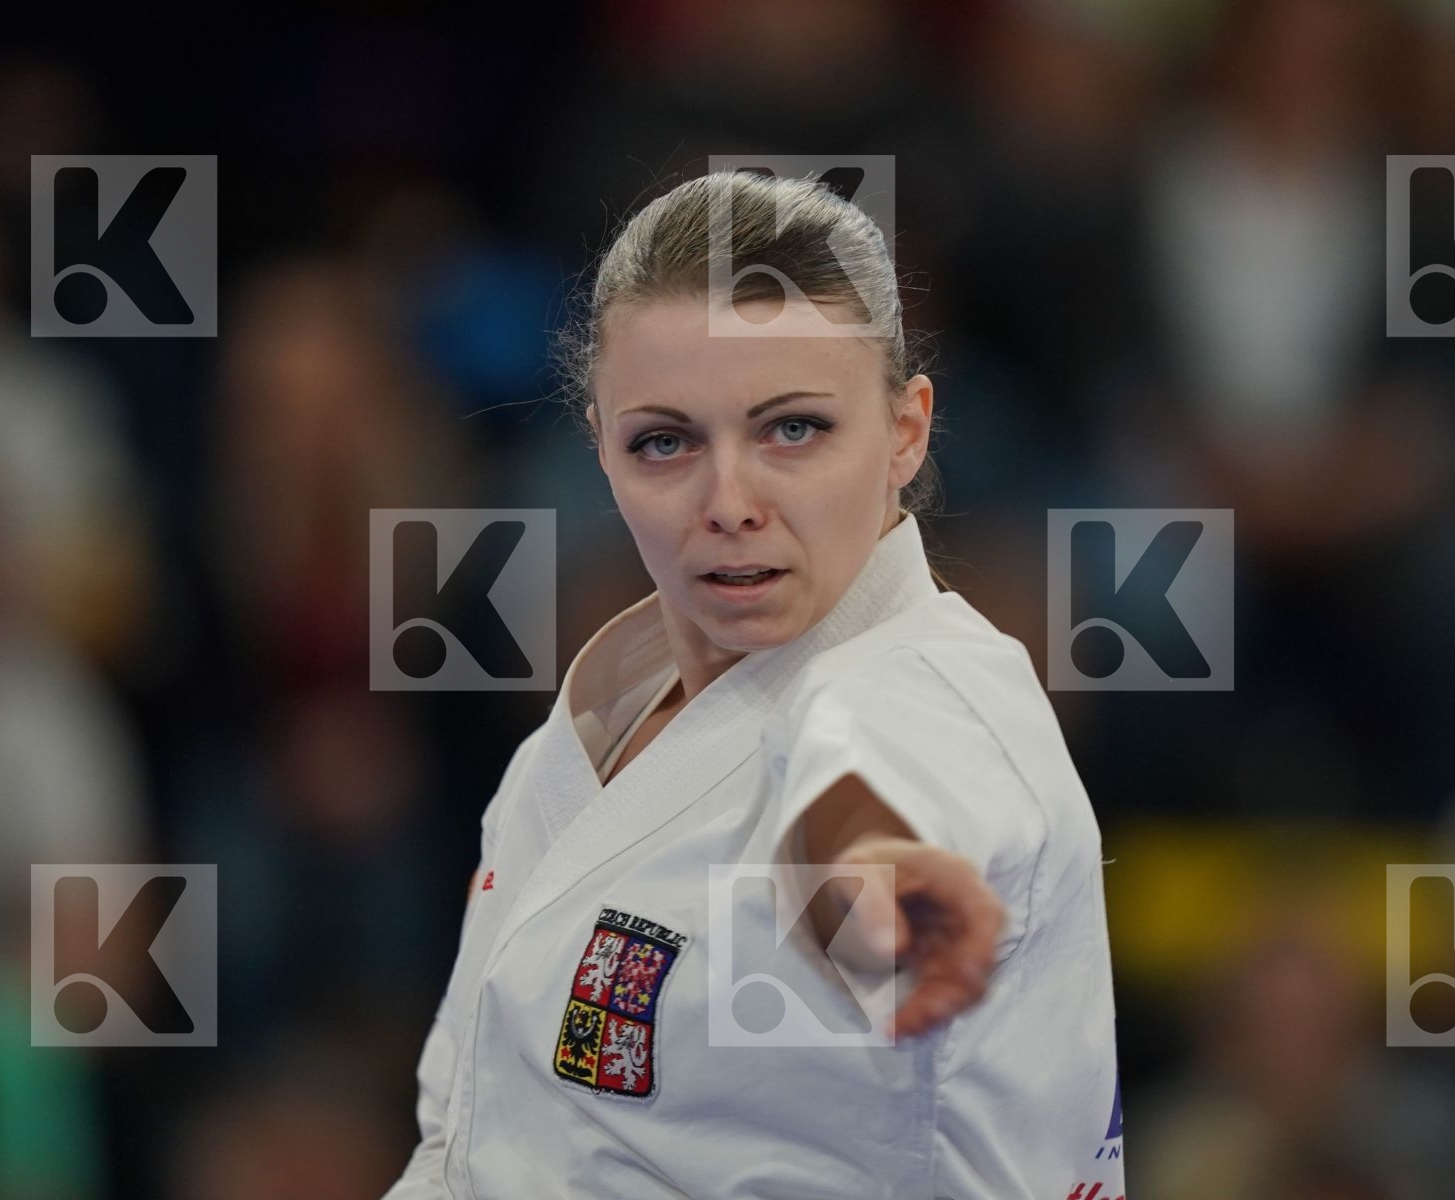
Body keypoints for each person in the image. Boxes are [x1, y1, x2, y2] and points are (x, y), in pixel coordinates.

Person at [382, 169, 1127, 1199]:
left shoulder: (927, 709)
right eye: (665, 442)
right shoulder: (592, 718)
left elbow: (901, 823)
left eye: (793, 430)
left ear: (905, 430)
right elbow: (462, 1127)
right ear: (599, 446)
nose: (728, 501)